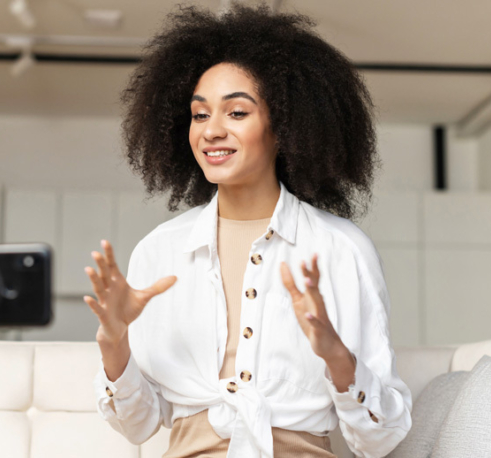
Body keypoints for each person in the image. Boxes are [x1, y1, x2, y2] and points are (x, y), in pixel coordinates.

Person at [83, 4, 412, 458]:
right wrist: (115, 342)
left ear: (284, 127)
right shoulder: (159, 251)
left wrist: (336, 354)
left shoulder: (341, 248)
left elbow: (379, 439)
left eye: (236, 112)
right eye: (200, 115)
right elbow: (138, 425)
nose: (212, 131)